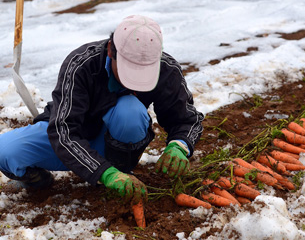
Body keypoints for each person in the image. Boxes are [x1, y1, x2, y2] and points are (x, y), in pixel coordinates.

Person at [0, 15, 204, 204]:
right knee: (4, 151)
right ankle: (40, 180)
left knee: (130, 111)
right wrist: (105, 173)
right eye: (129, 70)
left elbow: (187, 119)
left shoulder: (166, 68)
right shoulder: (81, 64)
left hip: (119, 142)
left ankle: (121, 170)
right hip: (73, 139)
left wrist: (179, 145)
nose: (134, 83)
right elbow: (63, 131)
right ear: (110, 51)